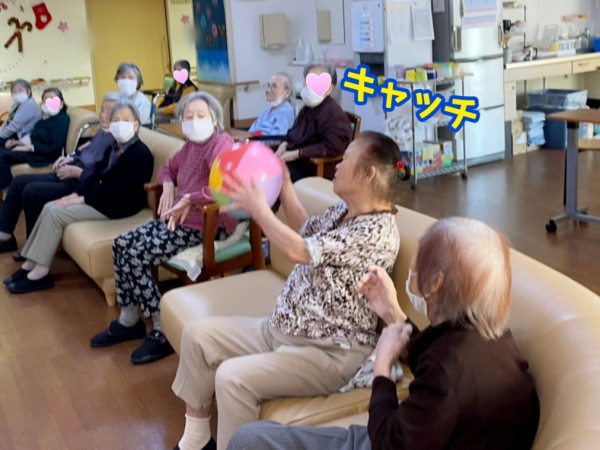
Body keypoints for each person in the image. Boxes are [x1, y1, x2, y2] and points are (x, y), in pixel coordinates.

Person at [170, 131, 403, 450]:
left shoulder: (377, 233)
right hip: (280, 330)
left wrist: (259, 208)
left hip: (329, 351)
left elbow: (299, 251)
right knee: (197, 337)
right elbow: (305, 231)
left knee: (232, 378)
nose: (338, 164)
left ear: (368, 174)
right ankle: (196, 440)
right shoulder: (345, 210)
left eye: (347, 157)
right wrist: (286, 187)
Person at [227, 217, 540, 450]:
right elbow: (438, 363)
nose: (411, 278)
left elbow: (388, 443)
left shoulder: (448, 373)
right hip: (415, 435)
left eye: (415, 272)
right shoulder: (491, 340)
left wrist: (382, 369)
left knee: (249, 440)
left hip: (391, 438)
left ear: (435, 283)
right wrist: (392, 313)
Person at [89, 92, 237, 365]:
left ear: (215, 119)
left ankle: (162, 326)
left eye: (201, 115)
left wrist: (189, 198)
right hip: (178, 220)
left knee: (136, 254)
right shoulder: (189, 146)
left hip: (207, 224)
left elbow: (224, 186)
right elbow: (167, 169)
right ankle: (129, 318)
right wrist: (168, 184)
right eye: (188, 116)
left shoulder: (221, 145)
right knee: (121, 244)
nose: (194, 121)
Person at [3, 100, 153, 293]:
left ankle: (41, 272)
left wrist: (81, 199)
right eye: (116, 120)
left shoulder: (140, 153)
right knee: (50, 206)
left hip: (118, 207)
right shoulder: (114, 147)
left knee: (56, 213)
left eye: (125, 120)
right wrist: (75, 193)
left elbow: (115, 189)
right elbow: (94, 176)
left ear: (136, 125)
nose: (119, 124)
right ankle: (31, 262)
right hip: (103, 200)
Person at [0, 92, 119, 255]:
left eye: (108, 111)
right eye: (102, 109)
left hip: (80, 183)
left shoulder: (118, 141)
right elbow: (84, 150)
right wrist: (70, 157)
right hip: (69, 171)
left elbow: (105, 174)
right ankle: (5, 235)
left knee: (31, 191)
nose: (102, 114)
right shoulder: (103, 131)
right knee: (19, 181)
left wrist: (80, 172)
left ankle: (32, 246)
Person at [276, 62, 352, 182]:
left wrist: (297, 153)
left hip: (313, 168)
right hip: (296, 162)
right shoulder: (307, 109)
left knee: (270, 176)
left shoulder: (333, 114)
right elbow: (294, 132)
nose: (307, 85)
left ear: (329, 89)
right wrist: (284, 144)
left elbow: (333, 146)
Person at [0, 87, 69, 189]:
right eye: (45, 100)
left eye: (52, 99)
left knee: (1, 156)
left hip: (42, 155)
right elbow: (35, 135)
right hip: (33, 149)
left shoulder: (61, 120)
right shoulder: (46, 117)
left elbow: (55, 147)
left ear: (61, 103)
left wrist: (30, 148)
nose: (48, 102)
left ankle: (8, 189)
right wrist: (18, 142)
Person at [248, 72, 295, 136]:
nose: (268, 90)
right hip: (255, 140)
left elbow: (276, 137)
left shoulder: (287, 111)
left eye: (274, 86)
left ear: (287, 93)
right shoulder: (267, 109)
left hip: (268, 142)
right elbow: (252, 130)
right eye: (268, 86)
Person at [0, 79, 41, 149]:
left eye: (20, 91)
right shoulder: (17, 104)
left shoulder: (29, 104)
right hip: (12, 134)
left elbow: (14, 126)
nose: (17, 93)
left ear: (28, 91)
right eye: (14, 91)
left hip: (21, 138)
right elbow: (8, 121)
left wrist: (0, 136)